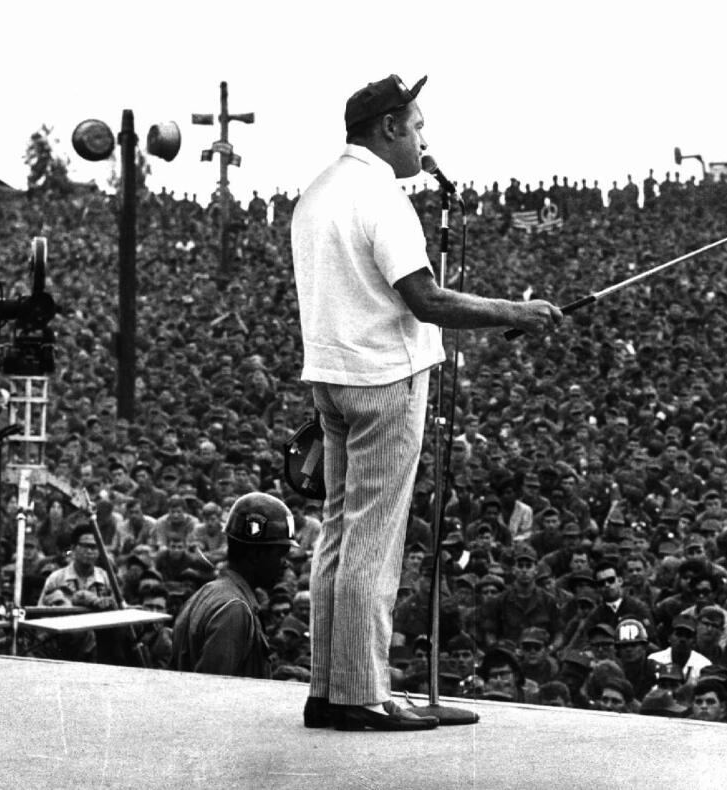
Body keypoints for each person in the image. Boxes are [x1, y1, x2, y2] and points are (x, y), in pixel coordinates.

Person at [292, 73, 561, 733]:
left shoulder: (317, 192)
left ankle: (328, 689)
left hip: (330, 378)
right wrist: (514, 312)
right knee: (373, 541)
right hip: (385, 379)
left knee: (337, 531)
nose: (423, 140)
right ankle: (362, 694)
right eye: (417, 128)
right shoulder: (381, 198)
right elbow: (427, 299)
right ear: (388, 127)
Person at [171, 492, 295, 679]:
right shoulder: (234, 609)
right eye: (281, 554)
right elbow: (212, 693)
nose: (286, 563)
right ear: (255, 554)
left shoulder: (207, 592)